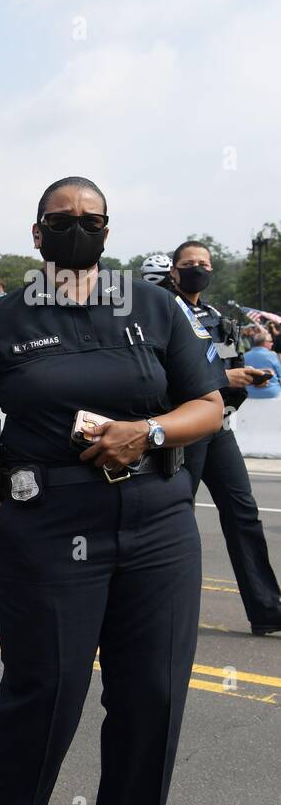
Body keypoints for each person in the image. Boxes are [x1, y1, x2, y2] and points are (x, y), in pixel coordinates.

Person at [0, 176, 226, 805]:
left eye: (91, 218)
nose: (78, 227)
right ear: (37, 234)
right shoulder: (3, 318)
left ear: (109, 231)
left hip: (157, 524)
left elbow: (208, 404)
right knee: (45, 702)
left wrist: (150, 432)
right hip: (47, 527)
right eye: (63, 219)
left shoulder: (154, 306)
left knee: (153, 702)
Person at [171, 240, 281, 635]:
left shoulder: (216, 316)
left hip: (219, 428)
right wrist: (221, 379)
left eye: (204, 262)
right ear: (173, 270)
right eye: (188, 263)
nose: (197, 268)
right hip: (184, 429)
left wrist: (245, 378)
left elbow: (231, 365)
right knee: (177, 520)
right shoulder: (164, 312)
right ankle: (169, 610)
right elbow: (162, 375)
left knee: (243, 514)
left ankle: (267, 607)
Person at [244, 330, 281, 398]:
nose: (272, 343)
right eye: (270, 341)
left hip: (249, 393)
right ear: (265, 343)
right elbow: (280, 374)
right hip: (271, 392)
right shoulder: (272, 355)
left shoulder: (245, 355)